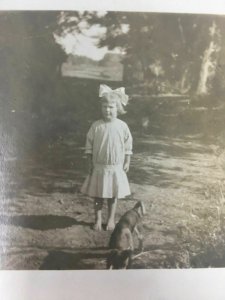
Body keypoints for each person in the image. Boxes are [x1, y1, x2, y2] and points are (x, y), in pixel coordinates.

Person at [81, 84, 133, 231]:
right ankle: (97, 219)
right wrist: (89, 162)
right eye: (104, 107)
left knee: (112, 196)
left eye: (111, 107)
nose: (107, 110)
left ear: (118, 108)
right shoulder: (96, 126)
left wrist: (127, 161)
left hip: (115, 166)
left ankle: (111, 220)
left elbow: (128, 145)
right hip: (100, 166)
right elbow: (89, 145)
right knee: (98, 195)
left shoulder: (122, 126)